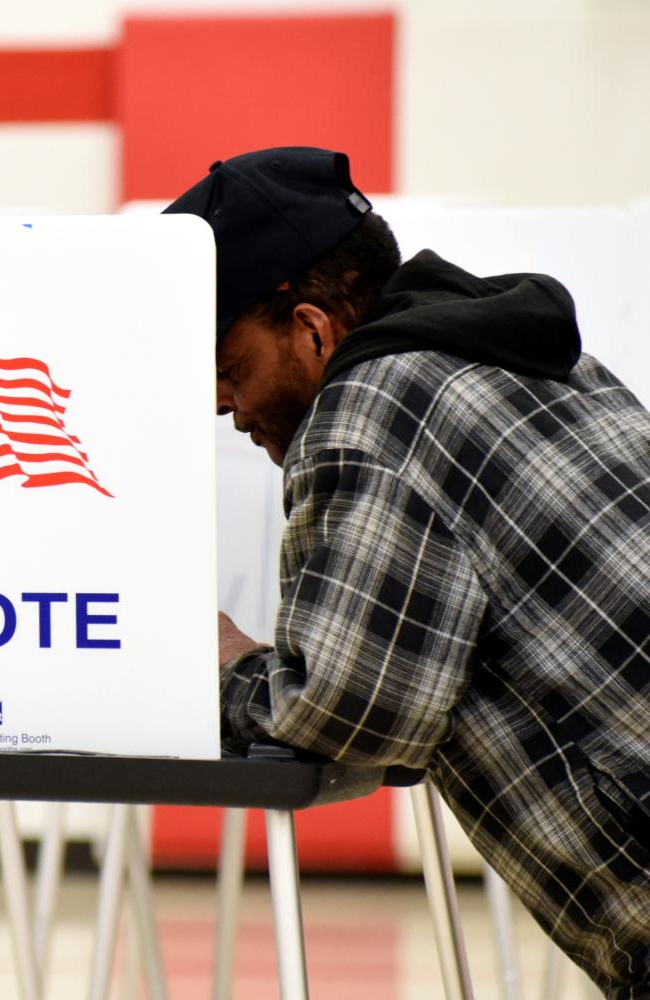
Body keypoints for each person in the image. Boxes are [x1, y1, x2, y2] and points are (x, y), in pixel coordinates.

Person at [165, 147, 650, 998]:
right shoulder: (530, 359)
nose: (220, 404)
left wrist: (220, 663)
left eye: (228, 368)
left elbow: (341, 714)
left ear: (312, 328)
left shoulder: (373, 410)